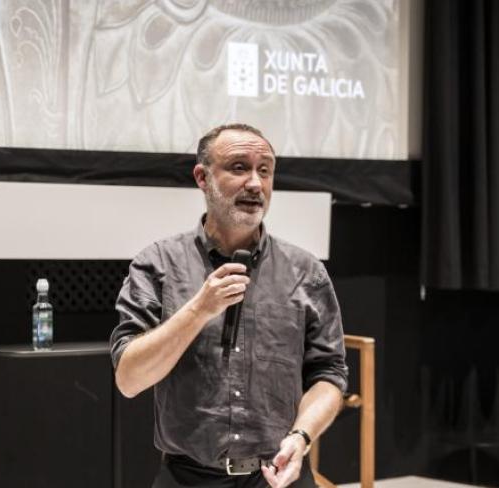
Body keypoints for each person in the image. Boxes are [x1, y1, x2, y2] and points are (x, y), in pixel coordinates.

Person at [110, 123, 348, 488]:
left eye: (264, 170)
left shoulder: (305, 272)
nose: (255, 183)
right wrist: (199, 310)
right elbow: (129, 379)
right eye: (239, 167)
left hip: (278, 475)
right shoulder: (158, 263)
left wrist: (301, 437)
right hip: (188, 477)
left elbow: (329, 375)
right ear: (202, 178)